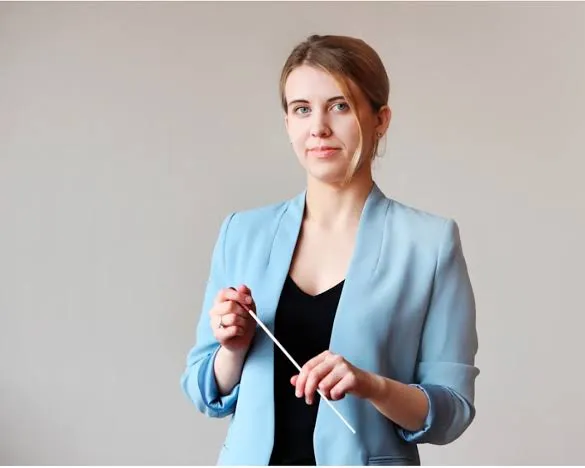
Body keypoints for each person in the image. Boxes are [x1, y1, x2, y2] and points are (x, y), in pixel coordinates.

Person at [180, 34, 479, 466]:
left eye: (339, 106)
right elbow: (203, 390)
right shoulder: (241, 233)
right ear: (288, 123)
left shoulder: (430, 243)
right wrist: (233, 349)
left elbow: (452, 411)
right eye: (302, 109)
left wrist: (373, 386)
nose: (318, 127)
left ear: (380, 119)